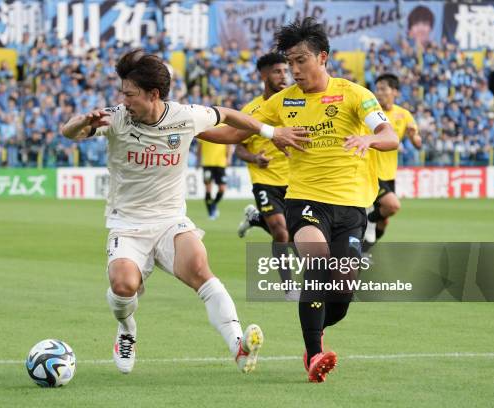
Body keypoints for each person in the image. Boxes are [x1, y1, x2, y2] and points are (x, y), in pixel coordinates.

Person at [61, 49, 310, 375]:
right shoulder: (117, 117)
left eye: (130, 93)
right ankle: (126, 329)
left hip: (170, 221)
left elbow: (228, 115)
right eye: (122, 92)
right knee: (123, 286)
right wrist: (81, 123)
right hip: (128, 224)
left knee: (199, 266)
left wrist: (271, 132)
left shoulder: (185, 115)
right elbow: (69, 132)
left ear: (153, 94)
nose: (123, 99)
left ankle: (238, 346)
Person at [199, 18, 398, 383]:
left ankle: (315, 338)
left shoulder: (354, 94)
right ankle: (315, 355)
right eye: (290, 62)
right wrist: (182, 124)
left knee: (342, 291)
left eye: (301, 60)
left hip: (352, 206)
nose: (294, 69)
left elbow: (389, 133)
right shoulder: (281, 101)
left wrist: (370, 140)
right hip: (304, 200)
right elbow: (231, 131)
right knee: (317, 264)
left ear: (322, 57)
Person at [233, 52, 296, 299]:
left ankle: (257, 219)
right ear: (263, 75)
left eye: (286, 71)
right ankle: (289, 288)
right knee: (281, 233)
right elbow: (238, 147)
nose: (284, 76)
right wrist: (254, 159)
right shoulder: (251, 111)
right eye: (277, 71)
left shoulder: (296, 104)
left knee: (295, 235)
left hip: (295, 181)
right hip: (265, 180)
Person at [364, 74, 421, 250]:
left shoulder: (403, 115)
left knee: (384, 222)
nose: (378, 93)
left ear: (394, 91)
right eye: (377, 89)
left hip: (389, 174)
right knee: (392, 205)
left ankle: (364, 250)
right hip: (370, 172)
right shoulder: (370, 113)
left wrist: (412, 136)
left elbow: (418, 144)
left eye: (383, 89)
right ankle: (363, 223)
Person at [197, 138, 230, 219]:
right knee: (208, 189)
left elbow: (228, 144)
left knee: (222, 188)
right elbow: (199, 147)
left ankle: (213, 204)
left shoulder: (223, 126)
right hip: (207, 164)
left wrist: (228, 158)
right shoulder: (204, 129)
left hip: (220, 164)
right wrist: (198, 161)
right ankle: (211, 212)